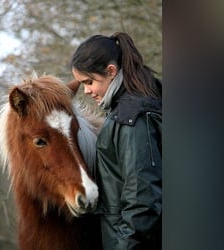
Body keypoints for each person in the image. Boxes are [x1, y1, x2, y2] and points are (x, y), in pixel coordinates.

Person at [70, 32, 162, 250]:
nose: (86, 91)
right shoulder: (142, 105)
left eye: (89, 81)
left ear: (111, 71)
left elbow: (143, 201)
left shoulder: (132, 119)